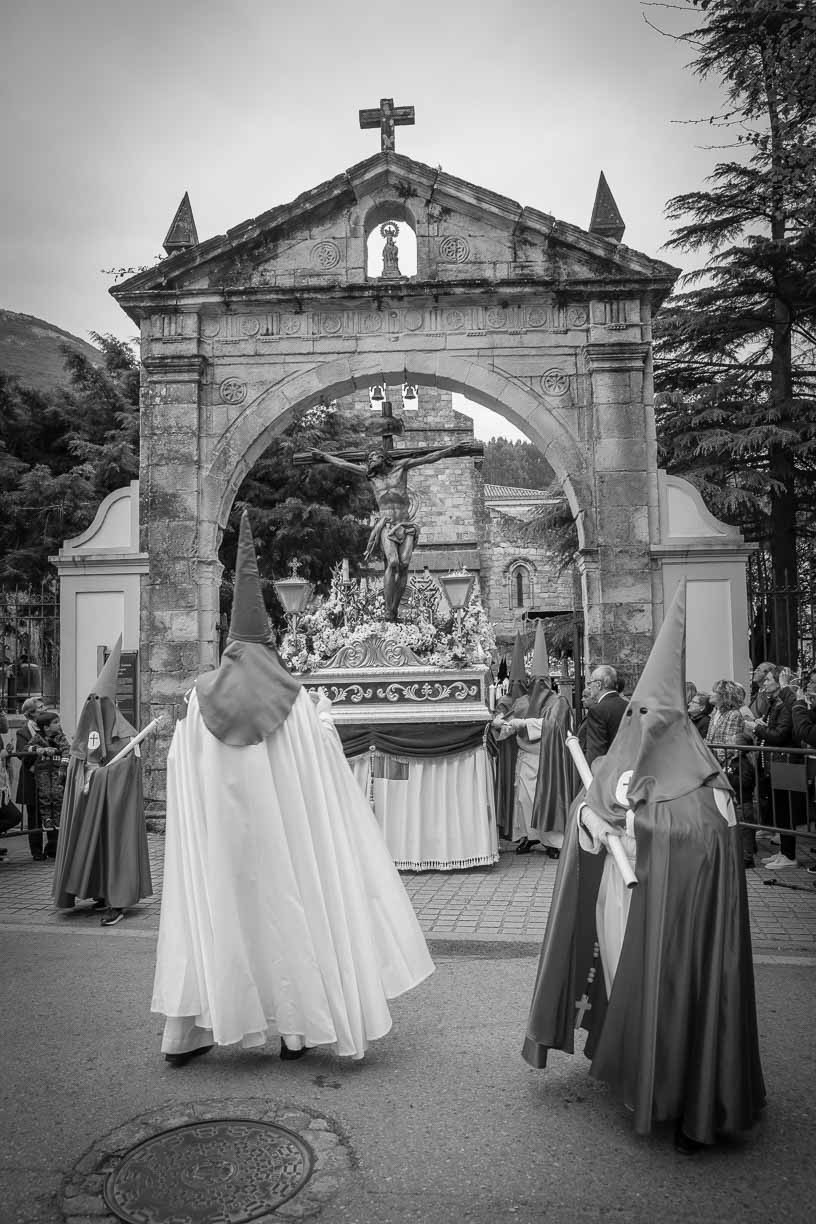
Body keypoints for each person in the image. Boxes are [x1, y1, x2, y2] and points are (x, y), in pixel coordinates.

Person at [152, 510, 434, 1066]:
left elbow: (181, 766)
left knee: (217, 916)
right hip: (284, 841)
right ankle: (296, 1033)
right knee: (289, 920)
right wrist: (325, 720)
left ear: (230, 645)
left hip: (222, 845)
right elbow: (320, 764)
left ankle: (191, 1032)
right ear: (270, 643)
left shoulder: (198, 700)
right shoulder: (298, 702)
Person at [522, 579, 765, 1153]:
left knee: (680, 999)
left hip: (681, 920)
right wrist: (591, 820)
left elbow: (710, 840)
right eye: (638, 713)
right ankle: (638, 1071)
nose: (641, 724)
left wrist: (636, 828)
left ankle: (689, 1100)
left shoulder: (707, 783)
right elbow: (588, 804)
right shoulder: (621, 759)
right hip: (624, 907)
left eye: (652, 715)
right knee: (628, 991)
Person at [309, 442, 476, 621]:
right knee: (393, 562)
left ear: (384, 458)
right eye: (369, 458)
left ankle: (394, 609)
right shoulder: (370, 476)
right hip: (386, 525)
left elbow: (428, 458)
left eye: (374, 457)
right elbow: (343, 464)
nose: (371, 460)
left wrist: (451, 450)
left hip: (406, 525)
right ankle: (388, 611)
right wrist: (324, 456)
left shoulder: (401, 467)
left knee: (404, 564)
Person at [51, 637, 152, 926]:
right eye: (91, 701)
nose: (93, 707)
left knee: (113, 842)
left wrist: (101, 775)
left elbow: (128, 768)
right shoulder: (88, 726)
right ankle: (98, 890)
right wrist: (84, 773)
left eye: (99, 702)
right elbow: (80, 759)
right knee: (90, 840)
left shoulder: (126, 734)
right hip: (88, 801)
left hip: (113, 806)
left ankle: (117, 900)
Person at [492, 622, 576, 856]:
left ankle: (552, 842)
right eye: (534, 681)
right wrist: (500, 725)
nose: (537, 686)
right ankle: (528, 837)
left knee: (547, 800)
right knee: (524, 800)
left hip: (547, 760)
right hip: (525, 757)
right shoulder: (522, 702)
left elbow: (553, 725)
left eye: (542, 681)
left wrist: (524, 724)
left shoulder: (558, 702)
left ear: (548, 682)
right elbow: (509, 723)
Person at [747, 666, 798, 869]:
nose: (764, 683)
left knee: (786, 811)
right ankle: (784, 851)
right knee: (780, 809)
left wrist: (758, 728)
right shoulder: (773, 703)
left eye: (768, 680)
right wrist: (762, 725)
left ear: (779, 682)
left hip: (785, 763)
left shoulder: (784, 705)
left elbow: (779, 735)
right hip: (775, 763)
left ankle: (789, 855)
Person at [30, 709, 69, 860]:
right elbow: (27, 748)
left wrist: (63, 768)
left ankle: (58, 819)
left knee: (57, 795)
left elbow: (67, 751)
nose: (59, 725)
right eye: (55, 722)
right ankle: (47, 819)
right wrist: (40, 749)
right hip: (43, 772)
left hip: (56, 772)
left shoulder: (61, 737)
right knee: (45, 795)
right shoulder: (38, 737)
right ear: (46, 727)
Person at [14, 696, 47, 859]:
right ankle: (36, 851)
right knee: (34, 815)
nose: (44, 709)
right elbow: (22, 753)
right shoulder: (23, 732)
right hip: (31, 777)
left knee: (51, 812)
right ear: (31, 713)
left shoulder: (49, 726)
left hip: (49, 777)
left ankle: (52, 847)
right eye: (40, 707)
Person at [582, 664, 627, 765]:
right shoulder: (628, 705)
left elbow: (595, 752)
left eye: (590, 683)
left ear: (599, 684)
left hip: (606, 769)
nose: (589, 687)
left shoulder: (597, 710)